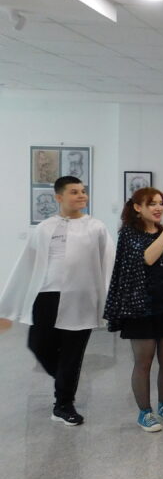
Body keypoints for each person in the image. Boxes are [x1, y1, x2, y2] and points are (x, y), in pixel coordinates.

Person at [0, 176, 115, 426]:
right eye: (74, 192)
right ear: (59, 197)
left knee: (73, 353)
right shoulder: (44, 227)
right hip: (47, 296)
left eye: (83, 191)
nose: (81, 195)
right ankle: (65, 378)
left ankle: (63, 405)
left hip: (82, 297)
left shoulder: (95, 227)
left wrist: (112, 299)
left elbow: (109, 262)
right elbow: (26, 264)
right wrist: (9, 304)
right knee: (38, 344)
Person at [104, 187, 163, 432]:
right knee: (143, 362)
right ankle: (145, 412)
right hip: (140, 307)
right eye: (152, 203)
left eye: (161, 203)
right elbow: (148, 257)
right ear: (137, 207)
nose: (158, 207)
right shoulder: (129, 234)